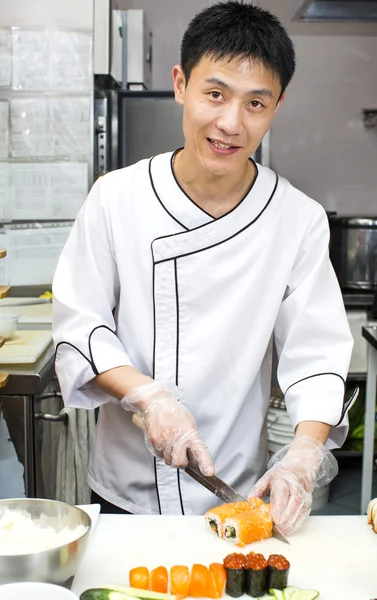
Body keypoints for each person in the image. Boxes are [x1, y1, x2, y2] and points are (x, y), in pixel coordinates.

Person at [52, 0, 355, 534]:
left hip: (238, 487)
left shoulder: (297, 219)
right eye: (214, 94)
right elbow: (81, 325)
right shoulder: (115, 198)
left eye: (255, 103)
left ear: (277, 105)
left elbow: (317, 356)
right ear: (180, 84)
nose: (231, 123)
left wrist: (305, 454)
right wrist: (149, 398)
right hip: (127, 489)